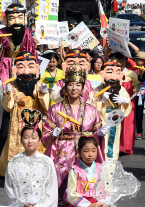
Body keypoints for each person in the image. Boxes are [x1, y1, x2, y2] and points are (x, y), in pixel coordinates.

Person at [42, 64, 105, 204]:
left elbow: (96, 128)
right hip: (62, 154)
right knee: (61, 188)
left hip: (84, 152)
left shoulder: (91, 109)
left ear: (83, 87)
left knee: (84, 188)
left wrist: (99, 134)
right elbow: (44, 132)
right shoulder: (55, 109)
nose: (74, 88)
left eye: (78, 85)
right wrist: (53, 133)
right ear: (65, 86)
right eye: (71, 84)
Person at [0, 51, 49, 176]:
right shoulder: (12, 86)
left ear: (36, 69)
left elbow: (46, 107)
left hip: (36, 122)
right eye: (21, 67)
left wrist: (43, 93)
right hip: (18, 122)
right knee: (17, 145)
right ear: (15, 70)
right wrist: (8, 94)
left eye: (31, 67)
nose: (26, 72)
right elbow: (7, 107)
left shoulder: (39, 85)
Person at [4, 110, 58, 207]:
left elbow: (52, 190)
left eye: (34, 138)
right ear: (21, 140)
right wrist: (22, 204)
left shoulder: (47, 162)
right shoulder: (14, 161)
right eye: (26, 137)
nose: (30, 141)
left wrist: (40, 206)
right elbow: (9, 188)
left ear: (39, 140)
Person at [88, 59, 132, 160]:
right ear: (102, 74)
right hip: (102, 120)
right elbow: (91, 108)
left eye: (118, 72)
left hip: (115, 119)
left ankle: (112, 168)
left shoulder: (121, 90)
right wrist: (102, 101)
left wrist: (125, 102)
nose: (114, 77)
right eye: (109, 72)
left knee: (114, 144)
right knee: (102, 144)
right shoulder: (97, 90)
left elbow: (127, 107)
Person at [0, 3, 38, 83]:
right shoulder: (0, 33)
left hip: (22, 65)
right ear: (6, 19)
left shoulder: (27, 33)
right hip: (5, 66)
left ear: (25, 19)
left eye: (20, 18)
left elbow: (32, 52)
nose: (16, 22)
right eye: (12, 18)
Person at [66, 137, 107, 207]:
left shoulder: (102, 168)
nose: (90, 154)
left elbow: (108, 187)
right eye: (86, 151)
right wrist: (88, 205)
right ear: (79, 152)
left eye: (93, 151)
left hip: (99, 202)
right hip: (81, 203)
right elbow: (71, 193)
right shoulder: (75, 170)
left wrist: (105, 202)